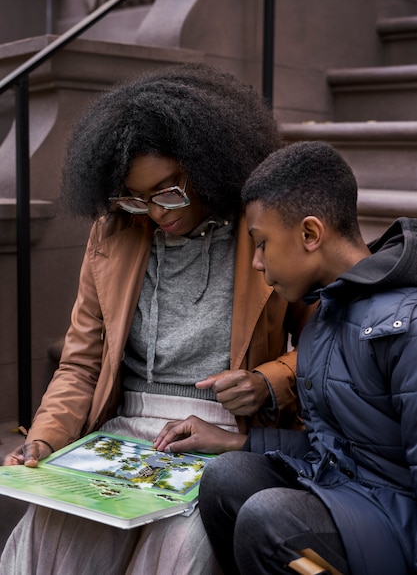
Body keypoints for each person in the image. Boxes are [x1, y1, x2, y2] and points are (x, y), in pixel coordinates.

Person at [0, 64, 314, 575]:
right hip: (121, 430)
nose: (156, 213)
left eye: (169, 190)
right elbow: (81, 363)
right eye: (136, 197)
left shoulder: (263, 228)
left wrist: (268, 381)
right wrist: (45, 438)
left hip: (221, 431)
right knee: (53, 534)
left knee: (177, 550)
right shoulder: (115, 230)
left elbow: (335, 342)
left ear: (207, 162)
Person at [198, 140, 417, 575]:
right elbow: (333, 451)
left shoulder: (404, 323)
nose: (258, 263)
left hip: (399, 524)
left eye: (262, 244)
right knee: (226, 478)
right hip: (351, 494)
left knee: (272, 520)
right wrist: (240, 442)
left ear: (310, 234)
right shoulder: (324, 315)